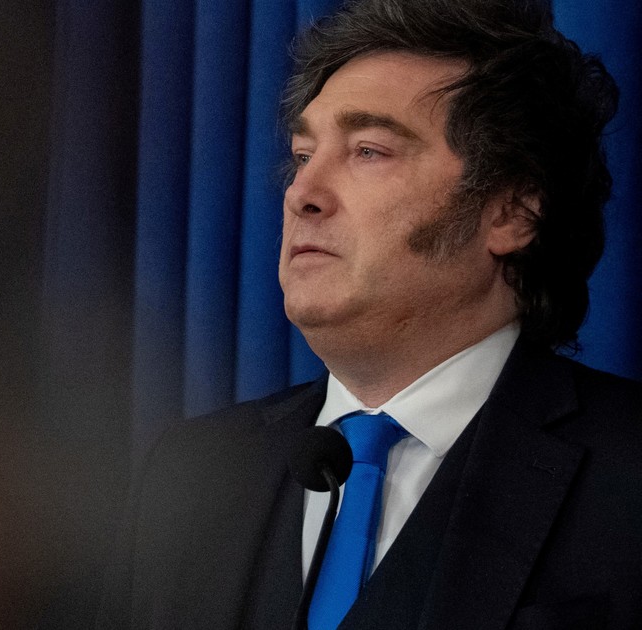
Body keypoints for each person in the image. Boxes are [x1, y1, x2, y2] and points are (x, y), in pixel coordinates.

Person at [93, 0, 642, 628]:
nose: (302, 194)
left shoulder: (627, 474)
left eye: (369, 151)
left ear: (511, 213)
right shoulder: (191, 471)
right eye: (303, 156)